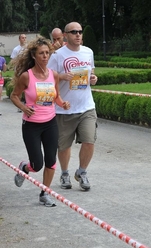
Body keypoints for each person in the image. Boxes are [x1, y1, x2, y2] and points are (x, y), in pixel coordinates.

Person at [10, 36, 70, 207]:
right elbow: (14, 96)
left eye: (47, 53)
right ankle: (24, 168)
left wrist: (63, 103)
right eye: (41, 53)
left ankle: (45, 193)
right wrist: (23, 107)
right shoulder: (26, 77)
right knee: (37, 164)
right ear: (34, 56)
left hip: (50, 123)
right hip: (31, 126)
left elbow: (56, 96)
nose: (45, 56)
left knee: (51, 160)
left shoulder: (54, 75)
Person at [48, 22, 98, 191]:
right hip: (64, 108)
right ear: (65, 35)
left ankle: (82, 172)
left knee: (89, 141)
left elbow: (91, 73)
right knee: (64, 146)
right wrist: (62, 76)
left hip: (86, 106)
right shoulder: (57, 55)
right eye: (74, 32)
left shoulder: (88, 52)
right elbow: (48, 78)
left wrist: (93, 79)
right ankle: (64, 173)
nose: (78, 34)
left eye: (80, 32)